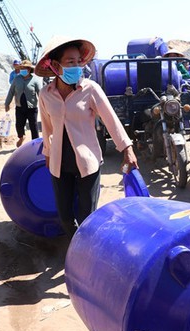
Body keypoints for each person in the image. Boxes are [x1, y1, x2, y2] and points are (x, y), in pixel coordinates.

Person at [34, 36, 138, 238]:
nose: (76, 66)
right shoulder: (46, 94)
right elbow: (47, 128)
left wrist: (127, 149)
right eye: (70, 62)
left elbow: (111, 120)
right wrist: (47, 154)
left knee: (87, 216)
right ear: (56, 66)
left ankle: (86, 250)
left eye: (78, 61)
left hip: (87, 161)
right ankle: (78, 244)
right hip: (59, 163)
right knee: (64, 216)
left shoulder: (91, 89)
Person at [4, 60, 43, 148]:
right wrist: (7, 103)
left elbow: (41, 93)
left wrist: (45, 106)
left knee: (34, 126)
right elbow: (11, 91)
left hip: (32, 108)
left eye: (24, 68)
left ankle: (35, 145)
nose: (22, 70)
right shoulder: (17, 79)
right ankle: (21, 137)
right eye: (21, 68)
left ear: (29, 69)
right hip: (19, 107)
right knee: (19, 125)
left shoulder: (35, 80)